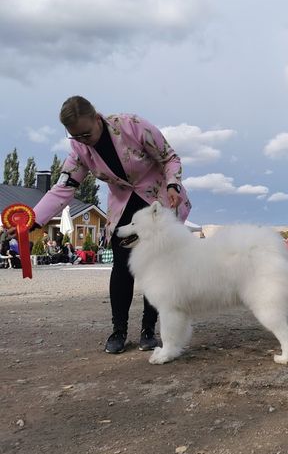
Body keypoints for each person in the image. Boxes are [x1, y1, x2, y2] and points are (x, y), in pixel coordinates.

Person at [11, 96, 191, 354]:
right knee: (121, 267)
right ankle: (118, 331)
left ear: (97, 118)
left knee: (160, 268)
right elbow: (64, 188)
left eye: (86, 133)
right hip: (123, 209)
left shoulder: (132, 125)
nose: (83, 141)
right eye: (75, 137)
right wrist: (32, 220)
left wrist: (173, 183)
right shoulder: (80, 151)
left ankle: (148, 331)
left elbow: (169, 158)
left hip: (157, 203)